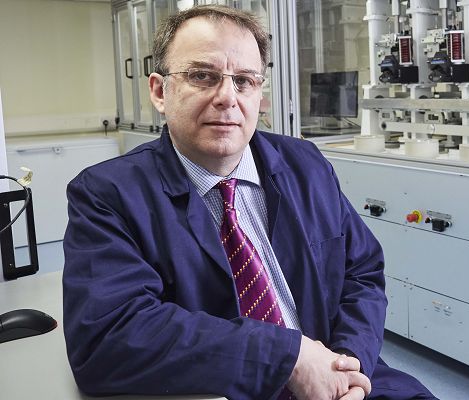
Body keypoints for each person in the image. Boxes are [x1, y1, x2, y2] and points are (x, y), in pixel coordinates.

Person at [62, 5, 435, 400]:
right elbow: (108, 338)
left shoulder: (305, 165)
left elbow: (361, 272)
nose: (227, 97)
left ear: (259, 93)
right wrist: (287, 359)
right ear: (159, 91)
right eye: (202, 76)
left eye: (244, 80)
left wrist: (347, 362)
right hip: (229, 388)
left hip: (343, 376)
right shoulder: (108, 195)